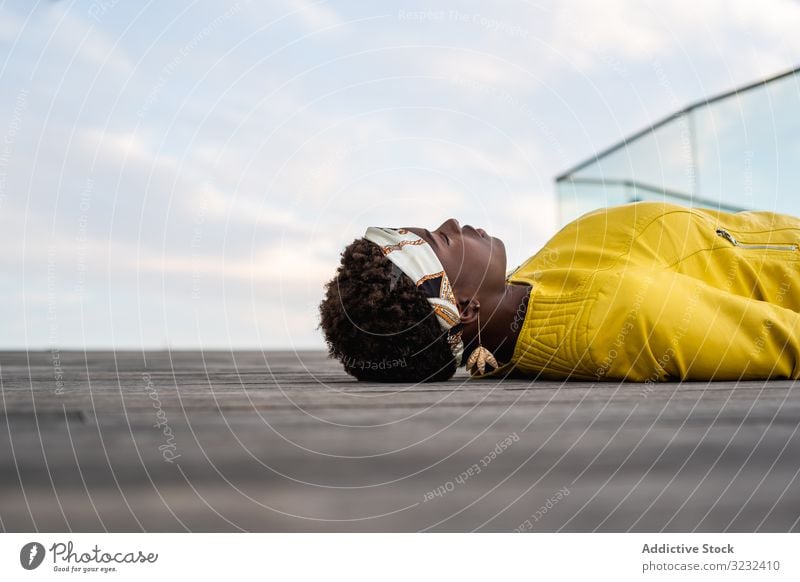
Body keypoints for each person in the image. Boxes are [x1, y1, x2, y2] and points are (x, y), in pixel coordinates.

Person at [318, 201, 800, 382]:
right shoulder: (614, 319)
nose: (450, 222)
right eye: (444, 240)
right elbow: (783, 340)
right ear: (463, 309)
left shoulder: (532, 279)